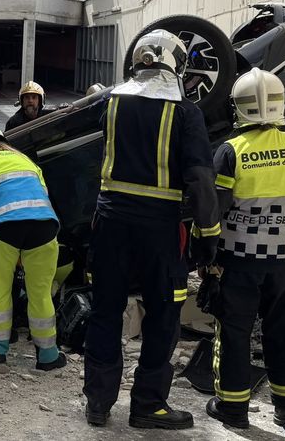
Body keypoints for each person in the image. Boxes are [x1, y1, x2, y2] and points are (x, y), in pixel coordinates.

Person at [82, 30, 220, 430]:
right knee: (163, 316)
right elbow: (200, 179)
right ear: (174, 64)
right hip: (160, 230)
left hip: (110, 223)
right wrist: (208, 234)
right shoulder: (184, 111)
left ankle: (98, 403)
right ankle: (148, 406)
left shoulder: (110, 101)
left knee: (106, 311)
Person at [204, 68, 285, 429]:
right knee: (283, 333)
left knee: (235, 335)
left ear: (237, 108)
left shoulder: (231, 151)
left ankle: (233, 409)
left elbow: (214, 211)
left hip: (239, 263)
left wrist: (205, 257)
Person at [0, 123, 66, 371]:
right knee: (40, 292)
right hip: (43, 225)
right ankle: (48, 356)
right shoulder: (27, 161)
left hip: (3, 228)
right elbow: (43, 192)